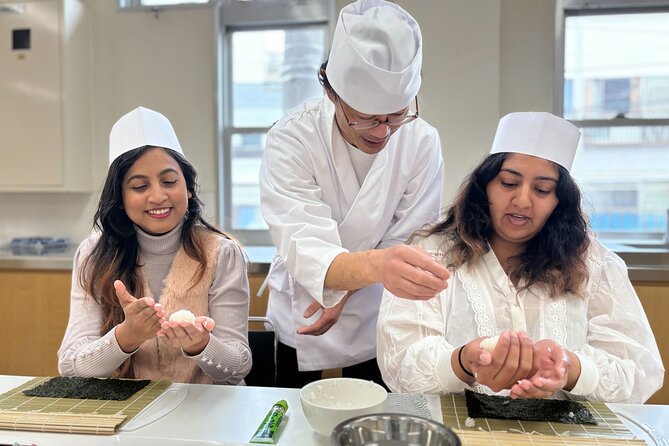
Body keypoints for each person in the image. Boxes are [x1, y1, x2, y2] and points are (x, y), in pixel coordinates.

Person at [377, 112, 664, 403]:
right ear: (484, 186)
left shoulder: (595, 266)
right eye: (509, 183)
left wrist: (571, 369)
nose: (523, 200)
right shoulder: (433, 254)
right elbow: (401, 361)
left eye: (542, 190)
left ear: (558, 201)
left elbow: (639, 371)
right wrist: (464, 361)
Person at [259, 0, 449, 388]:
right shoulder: (292, 138)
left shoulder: (421, 141)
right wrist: (371, 270)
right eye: (364, 117)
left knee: (374, 414)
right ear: (331, 92)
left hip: (375, 307)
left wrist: (350, 290)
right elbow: (306, 242)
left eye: (396, 115)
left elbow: (407, 237)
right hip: (304, 300)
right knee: (293, 418)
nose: (382, 132)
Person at [58, 106, 252, 384]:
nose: (158, 196)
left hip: (207, 413)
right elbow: (70, 366)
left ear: (188, 187)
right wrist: (128, 335)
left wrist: (201, 344)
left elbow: (239, 367)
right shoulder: (93, 254)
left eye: (169, 181)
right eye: (139, 187)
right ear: (120, 198)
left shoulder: (222, 253)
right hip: (123, 415)